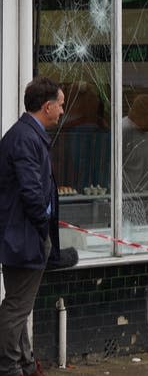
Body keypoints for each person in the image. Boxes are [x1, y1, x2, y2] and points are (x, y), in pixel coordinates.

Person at [0, 76, 65, 376]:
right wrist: (42, 227)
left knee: (20, 304)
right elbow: (31, 192)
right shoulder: (26, 138)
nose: (63, 111)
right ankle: (10, 365)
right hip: (25, 235)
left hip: (23, 233)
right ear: (47, 106)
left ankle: (24, 362)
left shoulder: (24, 134)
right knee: (16, 307)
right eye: (61, 105)